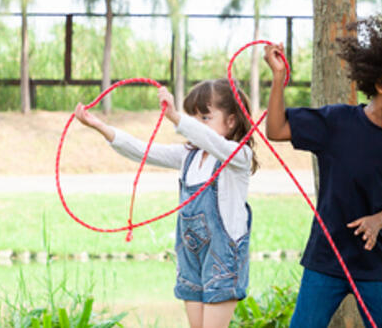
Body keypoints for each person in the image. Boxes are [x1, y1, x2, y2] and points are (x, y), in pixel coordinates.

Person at [264, 13, 382, 328]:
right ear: (381, 85)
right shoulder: (336, 122)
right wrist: (279, 76)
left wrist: (377, 221)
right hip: (327, 259)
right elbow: (277, 128)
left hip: (376, 264)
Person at [74, 79, 257, 328]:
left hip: (223, 260)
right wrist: (99, 126)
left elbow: (211, 141)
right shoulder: (188, 157)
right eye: (193, 117)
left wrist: (175, 117)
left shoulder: (238, 156)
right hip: (192, 258)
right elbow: (143, 150)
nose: (196, 125)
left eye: (205, 118)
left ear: (231, 121)